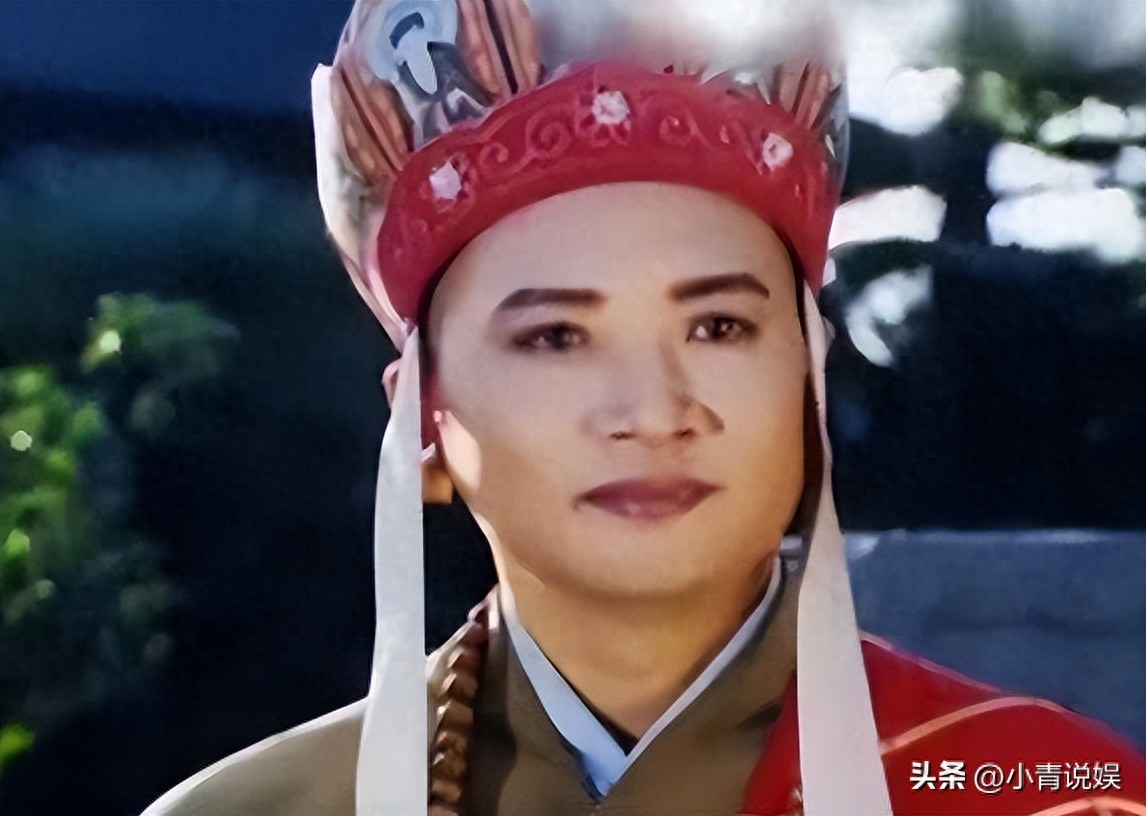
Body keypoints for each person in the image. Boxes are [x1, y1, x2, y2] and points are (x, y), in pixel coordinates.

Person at [143, 2, 1146, 815]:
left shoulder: (1043, 793)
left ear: (810, 381)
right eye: (556, 337)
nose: (656, 410)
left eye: (719, 327)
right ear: (425, 423)